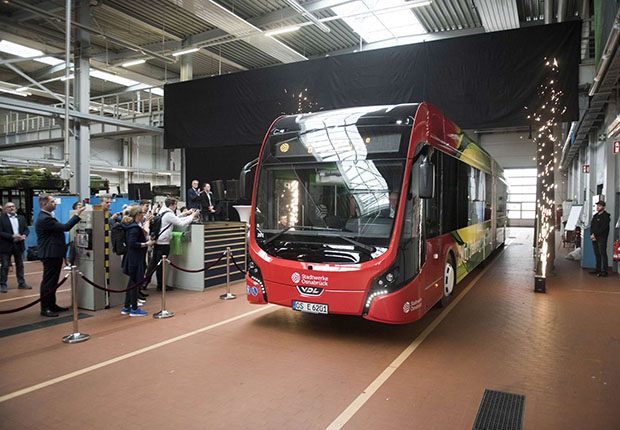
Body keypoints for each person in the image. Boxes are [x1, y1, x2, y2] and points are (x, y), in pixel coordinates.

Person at [36, 195, 84, 317]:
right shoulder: (45, 219)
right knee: (48, 281)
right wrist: (77, 215)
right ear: (45, 204)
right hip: (50, 253)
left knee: (53, 281)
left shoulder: (47, 217)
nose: (55, 203)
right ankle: (45, 307)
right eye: (52, 201)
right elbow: (65, 227)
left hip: (54, 253)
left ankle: (52, 305)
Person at [146, 198, 199, 290]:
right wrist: (192, 216)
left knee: (153, 263)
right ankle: (161, 285)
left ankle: (146, 282)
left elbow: (176, 218)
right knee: (160, 265)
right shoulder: (169, 214)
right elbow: (180, 223)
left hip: (158, 241)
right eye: (175, 204)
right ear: (171, 205)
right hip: (164, 243)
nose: (176, 206)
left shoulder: (163, 211)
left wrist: (187, 214)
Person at [120, 206, 155, 316]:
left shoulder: (128, 226)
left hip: (131, 258)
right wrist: (146, 244)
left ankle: (127, 306)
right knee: (134, 283)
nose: (143, 216)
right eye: (142, 214)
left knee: (131, 282)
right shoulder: (134, 228)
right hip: (135, 259)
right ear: (138, 215)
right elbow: (132, 243)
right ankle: (134, 308)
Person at [0, 202, 31, 293]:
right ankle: (3, 284)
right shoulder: (1, 219)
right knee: (5, 266)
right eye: (9, 207)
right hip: (6, 245)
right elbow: (0, 232)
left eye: (13, 206)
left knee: (20, 265)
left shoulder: (21, 218)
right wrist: (12, 236)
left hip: (19, 245)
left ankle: (21, 283)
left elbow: (26, 229)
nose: (11, 208)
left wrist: (24, 235)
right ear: (6, 209)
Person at [589, 200, 611, 277]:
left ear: (603, 207)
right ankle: (597, 269)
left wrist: (595, 234)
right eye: (597, 205)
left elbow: (603, 228)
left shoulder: (606, 217)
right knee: (597, 253)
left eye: (600, 206)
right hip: (594, 237)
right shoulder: (595, 216)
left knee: (603, 253)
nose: (598, 207)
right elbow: (592, 226)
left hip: (602, 238)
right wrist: (592, 234)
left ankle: (604, 270)